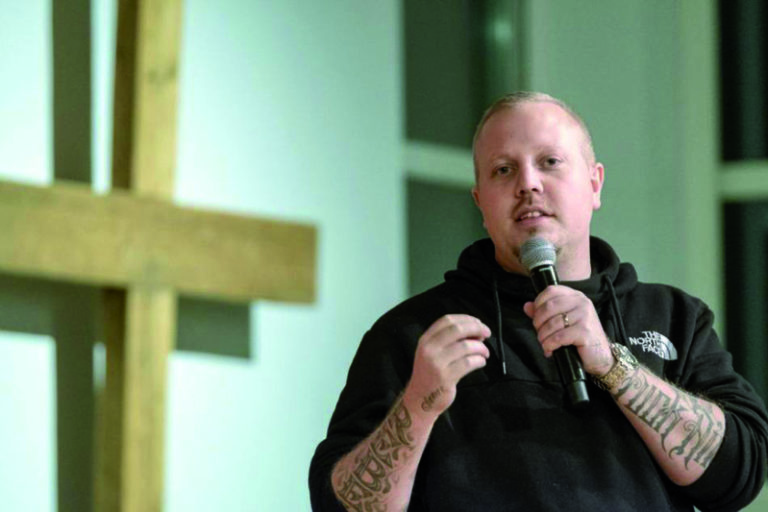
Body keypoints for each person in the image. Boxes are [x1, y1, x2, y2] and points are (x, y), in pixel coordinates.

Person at [309, 92, 768, 511]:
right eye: (503, 170)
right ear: (480, 202)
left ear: (595, 184)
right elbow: (340, 507)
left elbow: (739, 476)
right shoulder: (415, 334)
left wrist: (614, 366)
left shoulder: (673, 317)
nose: (528, 184)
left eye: (549, 162)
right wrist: (417, 405)